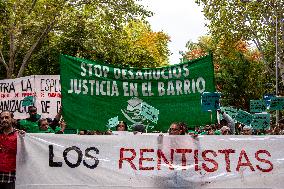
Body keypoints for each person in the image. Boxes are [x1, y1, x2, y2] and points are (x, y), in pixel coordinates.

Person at [0, 111, 24, 189]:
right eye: (2, 118)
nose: (4, 119)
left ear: (12, 119)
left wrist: (24, 137)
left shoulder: (19, 135)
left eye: (7, 117)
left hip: (11, 174)